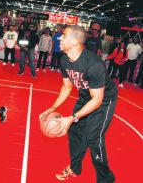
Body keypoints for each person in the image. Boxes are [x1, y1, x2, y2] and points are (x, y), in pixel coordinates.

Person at [40, 25, 117, 183]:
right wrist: (53, 108)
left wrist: (71, 117)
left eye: (64, 35)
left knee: (93, 138)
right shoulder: (64, 60)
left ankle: (106, 179)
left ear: (75, 42)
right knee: (74, 132)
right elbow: (66, 87)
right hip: (84, 97)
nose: (60, 38)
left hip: (104, 100)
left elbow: (97, 100)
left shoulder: (94, 64)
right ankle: (75, 168)